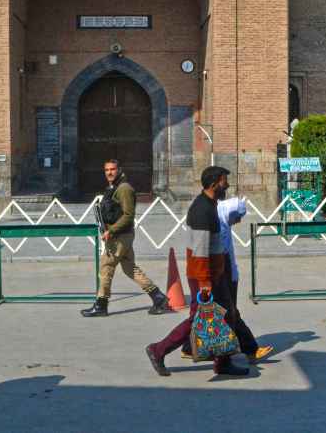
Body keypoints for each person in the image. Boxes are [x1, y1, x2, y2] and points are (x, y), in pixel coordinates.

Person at [145, 166, 249, 377]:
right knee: (197, 318)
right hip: (204, 275)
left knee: (226, 315)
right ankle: (158, 350)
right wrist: (205, 282)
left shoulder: (210, 205)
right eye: (223, 181)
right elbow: (200, 251)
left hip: (214, 274)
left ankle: (223, 362)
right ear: (213, 184)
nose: (226, 185)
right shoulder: (202, 210)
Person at [181, 197, 272, 363]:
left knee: (209, 315)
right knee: (228, 313)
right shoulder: (215, 223)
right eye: (237, 216)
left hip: (218, 275)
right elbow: (209, 255)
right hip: (216, 277)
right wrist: (207, 281)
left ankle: (188, 347)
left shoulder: (221, 221)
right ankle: (248, 350)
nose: (238, 221)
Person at [81, 159, 170, 317]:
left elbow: (129, 215)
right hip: (121, 235)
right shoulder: (113, 188)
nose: (109, 172)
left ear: (119, 170)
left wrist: (112, 230)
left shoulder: (124, 188)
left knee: (106, 267)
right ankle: (158, 297)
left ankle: (101, 305)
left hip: (119, 236)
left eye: (112, 169)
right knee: (130, 269)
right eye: (106, 170)